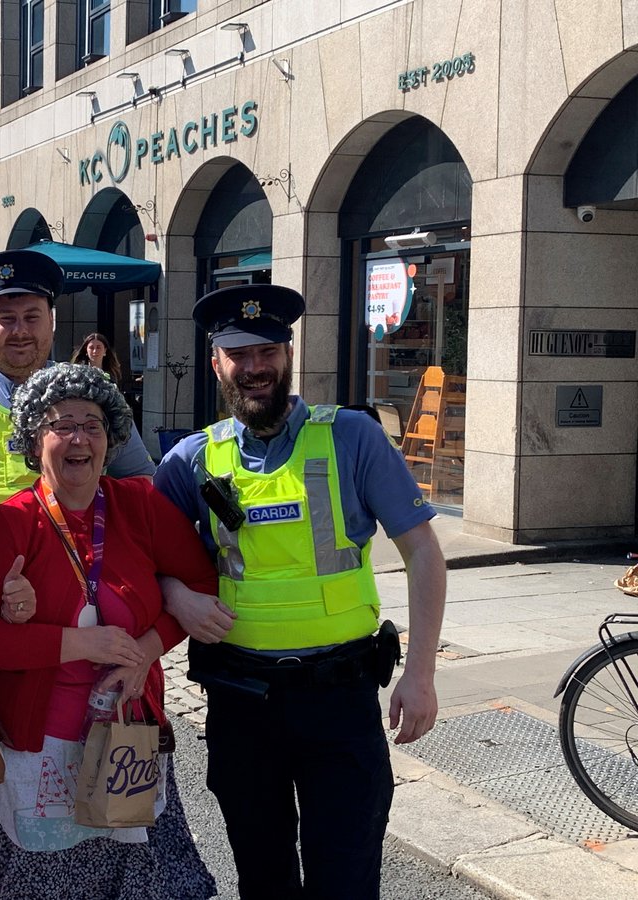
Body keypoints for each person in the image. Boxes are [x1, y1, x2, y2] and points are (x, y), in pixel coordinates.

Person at [153, 284, 447, 900]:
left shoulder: (352, 438)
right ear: (217, 363)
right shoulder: (190, 461)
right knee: (263, 882)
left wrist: (420, 672)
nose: (255, 367)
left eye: (268, 351)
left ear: (289, 353)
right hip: (241, 704)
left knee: (346, 880)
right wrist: (174, 593)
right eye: (239, 353)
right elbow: (141, 555)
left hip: (339, 702)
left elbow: (423, 553)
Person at [0, 363, 217, 900]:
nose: (79, 438)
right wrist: (74, 644)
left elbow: (198, 583)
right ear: (33, 440)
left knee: (133, 882)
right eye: (61, 425)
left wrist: (148, 646)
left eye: (92, 425)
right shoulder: (11, 522)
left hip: (127, 738)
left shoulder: (140, 506)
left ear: (110, 439)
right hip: (34, 747)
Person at [0, 249, 154, 538]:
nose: (20, 331)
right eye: (6, 319)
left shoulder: (93, 394)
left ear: (52, 321)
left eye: (32, 317)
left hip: (75, 573)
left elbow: (139, 481)